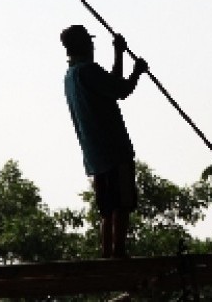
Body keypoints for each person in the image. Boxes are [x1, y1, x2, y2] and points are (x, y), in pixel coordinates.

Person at [60, 24, 148, 259]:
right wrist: (137, 71)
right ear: (84, 45)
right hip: (113, 149)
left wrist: (119, 53)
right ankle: (118, 254)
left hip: (94, 155)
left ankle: (107, 254)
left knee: (107, 208)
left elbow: (111, 86)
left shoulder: (71, 77)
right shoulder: (87, 71)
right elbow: (120, 89)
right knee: (122, 204)